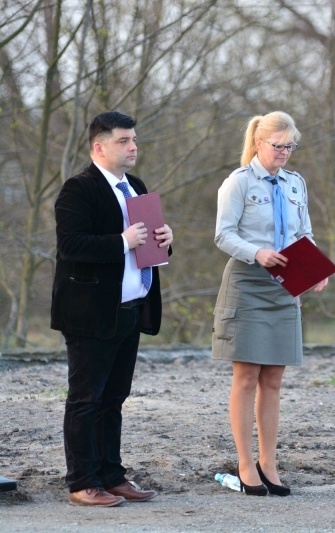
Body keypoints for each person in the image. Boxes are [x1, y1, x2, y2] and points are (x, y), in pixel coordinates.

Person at [51, 111, 173, 507]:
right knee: (87, 398)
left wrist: (165, 241)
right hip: (90, 312)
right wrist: (122, 241)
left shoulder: (135, 186)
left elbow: (150, 247)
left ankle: (111, 475)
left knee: (115, 397)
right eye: (123, 141)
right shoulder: (78, 189)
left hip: (131, 307)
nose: (133, 147)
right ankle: (82, 482)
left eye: (134, 139)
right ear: (99, 147)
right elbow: (71, 246)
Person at [212, 111, 328, 496]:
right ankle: (245, 463)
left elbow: (304, 232)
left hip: (285, 285)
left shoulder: (296, 183)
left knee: (274, 380)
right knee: (246, 378)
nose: (284, 153)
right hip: (248, 283)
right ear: (259, 143)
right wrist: (256, 253)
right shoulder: (239, 183)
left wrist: (314, 268)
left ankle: (269, 462)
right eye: (277, 146)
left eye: (289, 146)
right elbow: (223, 235)